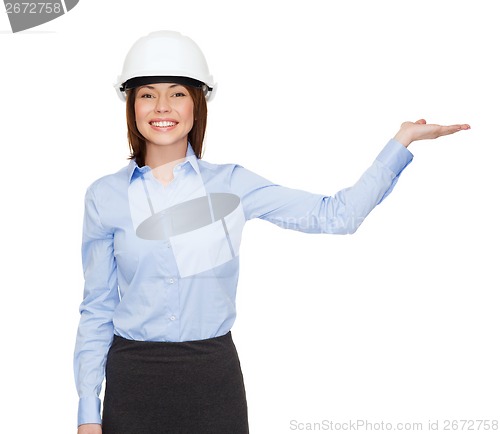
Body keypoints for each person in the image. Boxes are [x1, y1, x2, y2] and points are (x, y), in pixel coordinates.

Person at [73, 30, 470, 434]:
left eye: (177, 93)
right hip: (133, 382)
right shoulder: (105, 197)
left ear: (197, 103)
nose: (162, 106)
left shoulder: (233, 185)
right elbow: (98, 306)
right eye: (147, 94)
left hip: (212, 380)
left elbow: (335, 216)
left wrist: (401, 141)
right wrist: (89, 411)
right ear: (131, 104)